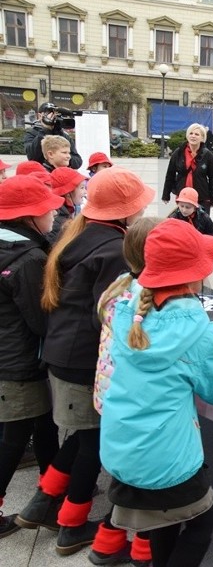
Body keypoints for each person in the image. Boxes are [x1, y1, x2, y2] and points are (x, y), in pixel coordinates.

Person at [14, 167, 155, 557]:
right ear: (125, 211)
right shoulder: (113, 250)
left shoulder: (81, 232)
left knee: (80, 437)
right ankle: (72, 526)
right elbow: (111, 313)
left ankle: (43, 503)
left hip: (63, 353)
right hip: (83, 360)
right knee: (93, 442)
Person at [100, 218, 213, 567]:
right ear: (195, 273)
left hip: (122, 448)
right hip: (167, 459)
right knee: (204, 521)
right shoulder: (201, 333)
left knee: (162, 524)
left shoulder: (127, 312)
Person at [88, 217, 161, 567]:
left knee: (125, 474)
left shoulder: (118, 286)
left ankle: (106, 542)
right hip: (139, 405)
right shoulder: (154, 304)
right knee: (147, 480)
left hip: (110, 398)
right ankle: (143, 549)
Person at [0, 176, 63, 538]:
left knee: (43, 426)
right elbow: (41, 319)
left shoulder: (12, 247)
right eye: (47, 210)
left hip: (10, 354)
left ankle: (52, 494)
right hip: (19, 361)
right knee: (14, 437)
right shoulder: (29, 259)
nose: (53, 216)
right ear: (28, 217)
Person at [162, 123, 213, 211]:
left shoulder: (208, 155)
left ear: (202, 138)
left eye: (197, 134)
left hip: (202, 197)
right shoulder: (178, 153)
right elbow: (170, 174)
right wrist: (166, 195)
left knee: (201, 224)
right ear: (187, 136)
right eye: (191, 133)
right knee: (183, 224)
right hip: (183, 197)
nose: (193, 136)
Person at [24, 102, 83, 170]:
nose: (53, 117)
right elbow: (32, 157)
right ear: (40, 116)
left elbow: (78, 161)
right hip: (42, 174)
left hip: (62, 174)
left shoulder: (64, 135)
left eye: (55, 114)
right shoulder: (32, 133)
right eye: (49, 113)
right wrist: (45, 129)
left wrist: (62, 158)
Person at [47, 166, 87, 242]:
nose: (86, 192)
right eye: (82, 188)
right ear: (68, 193)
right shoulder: (59, 221)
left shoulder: (66, 212)